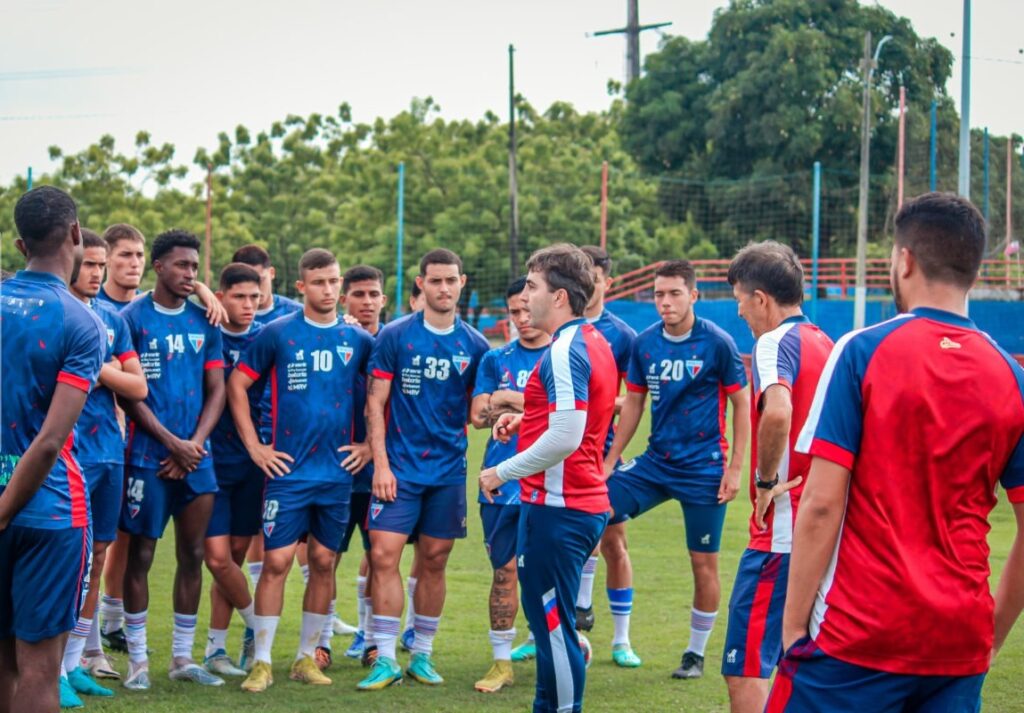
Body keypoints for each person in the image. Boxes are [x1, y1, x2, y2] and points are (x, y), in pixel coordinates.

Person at [768, 193, 1024, 711]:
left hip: (858, 634)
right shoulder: (1013, 378)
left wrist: (793, 625)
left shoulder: (863, 351)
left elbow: (820, 503)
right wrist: (992, 633)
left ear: (904, 260)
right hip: (958, 641)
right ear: (973, 271)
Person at [479, 243, 617, 713]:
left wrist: (502, 470)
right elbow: (576, 414)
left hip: (559, 509)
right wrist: (526, 419)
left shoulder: (564, 349)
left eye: (534, 286)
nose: (526, 297)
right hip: (576, 504)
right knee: (549, 627)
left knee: (553, 630)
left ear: (559, 297)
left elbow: (565, 437)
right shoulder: (593, 340)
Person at [231, 249, 374, 693]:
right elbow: (238, 384)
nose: (328, 291)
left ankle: (304, 658)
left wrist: (370, 445)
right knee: (275, 561)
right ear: (301, 287)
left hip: (337, 473)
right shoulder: (276, 334)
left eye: (334, 282)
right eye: (319, 283)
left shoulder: (360, 341)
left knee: (324, 562)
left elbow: (380, 397)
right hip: (288, 471)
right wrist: (255, 447)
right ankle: (261, 660)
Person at [601, 259, 750, 677]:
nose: (664, 302)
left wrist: (735, 467)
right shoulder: (645, 343)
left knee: (703, 561)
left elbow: (742, 404)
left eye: (674, 294)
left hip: (704, 469)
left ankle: (695, 653)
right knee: (595, 509)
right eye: (659, 294)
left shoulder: (717, 343)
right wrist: (611, 462)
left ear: (693, 296)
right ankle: (580, 614)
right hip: (654, 464)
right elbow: (633, 403)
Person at [358, 248, 489, 691]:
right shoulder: (395, 336)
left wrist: (502, 412)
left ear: (462, 282)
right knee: (382, 556)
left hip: (449, 471)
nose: (444, 288)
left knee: (434, 560)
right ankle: (385, 657)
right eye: (435, 281)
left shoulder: (475, 345)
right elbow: (374, 404)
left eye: (451, 280)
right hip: (398, 470)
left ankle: (423, 655)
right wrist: (381, 464)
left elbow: (477, 413)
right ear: (421, 284)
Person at [0, 187, 106, 713]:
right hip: (49, 511)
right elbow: (47, 443)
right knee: (40, 671)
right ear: (74, 235)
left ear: (20, 244)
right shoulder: (81, 320)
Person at [720, 242, 833, 713]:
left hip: (781, 537)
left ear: (761, 299)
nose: (741, 311)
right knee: (800, 661)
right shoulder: (826, 343)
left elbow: (778, 411)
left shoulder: (773, 343)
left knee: (744, 666)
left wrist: (765, 483)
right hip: (824, 532)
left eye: (740, 300)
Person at [118, 230, 226, 690]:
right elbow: (128, 395)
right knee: (141, 553)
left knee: (194, 554)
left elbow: (217, 389)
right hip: (147, 457)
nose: (189, 274)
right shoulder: (131, 319)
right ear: (158, 267)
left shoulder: (205, 320)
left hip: (196, 457)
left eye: (194, 267)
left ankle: (182, 658)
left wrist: (193, 445)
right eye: (181, 266)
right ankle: (137, 661)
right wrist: (170, 443)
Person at [62, 230, 148, 704]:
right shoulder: (59, 313)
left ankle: (74, 663)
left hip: (109, 453)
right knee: (63, 563)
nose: (95, 272)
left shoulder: (114, 319)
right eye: (89, 264)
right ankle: (49, 667)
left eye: (100, 264)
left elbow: (138, 389)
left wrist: (96, 367)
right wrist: (105, 367)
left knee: (96, 563)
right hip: (68, 455)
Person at [470, 277, 550, 694]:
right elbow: (479, 414)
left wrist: (510, 398)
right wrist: (513, 400)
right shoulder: (494, 358)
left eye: (527, 309)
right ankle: (501, 663)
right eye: (514, 312)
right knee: (503, 573)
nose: (522, 319)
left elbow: (577, 410)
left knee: (549, 575)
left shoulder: (563, 356)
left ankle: (558, 650)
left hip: (553, 482)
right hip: (500, 483)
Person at [200, 264, 266, 678]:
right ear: (221, 296)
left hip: (254, 465)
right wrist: (203, 291)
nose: (247, 305)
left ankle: (215, 649)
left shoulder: (268, 337)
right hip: (208, 462)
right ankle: (261, 627)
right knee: (217, 559)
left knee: (235, 560)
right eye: (238, 296)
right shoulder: (206, 330)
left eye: (254, 298)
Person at [569, 246, 636, 635]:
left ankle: (621, 638)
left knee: (613, 541)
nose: (586, 285)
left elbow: (635, 398)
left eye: (592, 278)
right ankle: (561, 619)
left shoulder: (622, 336)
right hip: (560, 451)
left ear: (606, 282)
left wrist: (594, 406)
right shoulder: (558, 326)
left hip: (602, 453)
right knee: (560, 542)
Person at [335, 265, 388, 664]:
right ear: (344, 299)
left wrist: (372, 449)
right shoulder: (336, 337)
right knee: (325, 556)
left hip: (376, 472)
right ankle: (320, 639)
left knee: (379, 555)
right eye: (359, 294)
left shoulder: (395, 341)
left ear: (383, 300)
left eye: (373, 294)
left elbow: (396, 406)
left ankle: (368, 636)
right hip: (334, 468)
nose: (366, 302)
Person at [232, 244, 303, 326]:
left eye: (261, 280)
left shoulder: (299, 315)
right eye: (246, 282)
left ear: (272, 273)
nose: (256, 289)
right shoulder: (222, 316)